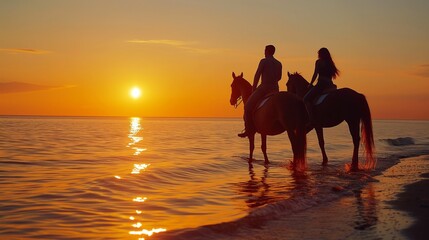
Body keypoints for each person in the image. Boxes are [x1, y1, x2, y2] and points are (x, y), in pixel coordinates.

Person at [238, 45, 282, 138]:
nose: (264, 52)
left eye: (264, 50)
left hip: (264, 87)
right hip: (275, 88)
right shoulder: (279, 63)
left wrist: (254, 89)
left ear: (266, 51)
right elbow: (279, 77)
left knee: (247, 106)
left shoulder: (263, 61)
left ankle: (248, 129)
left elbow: (257, 75)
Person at [303, 47, 340, 125]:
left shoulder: (319, 62)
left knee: (306, 99)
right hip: (330, 84)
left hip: (321, 84)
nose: (318, 55)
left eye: (318, 53)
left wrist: (310, 83)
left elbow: (315, 74)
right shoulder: (330, 62)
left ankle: (311, 119)